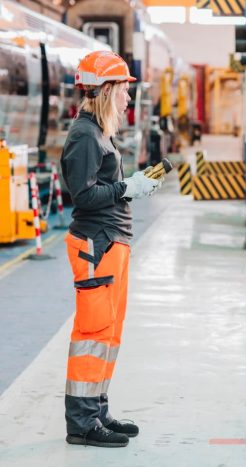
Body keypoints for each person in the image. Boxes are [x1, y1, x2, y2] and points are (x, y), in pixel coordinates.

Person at [61, 51, 163, 447]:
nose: (128, 99)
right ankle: (82, 423)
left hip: (112, 242)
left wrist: (134, 186)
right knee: (92, 332)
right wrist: (127, 187)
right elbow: (83, 196)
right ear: (106, 90)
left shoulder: (99, 132)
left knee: (108, 333)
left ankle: (97, 411)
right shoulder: (84, 135)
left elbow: (104, 190)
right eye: (123, 90)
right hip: (96, 245)